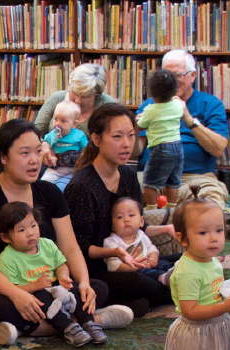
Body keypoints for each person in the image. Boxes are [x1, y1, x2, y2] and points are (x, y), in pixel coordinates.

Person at [0, 118, 131, 346]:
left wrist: (82, 283)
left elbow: (69, 246)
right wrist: (16, 294)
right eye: (24, 153)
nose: (35, 160)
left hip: (47, 283)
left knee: (95, 288)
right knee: (1, 307)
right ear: (3, 157)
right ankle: (90, 320)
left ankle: (30, 328)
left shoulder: (50, 192)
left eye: (38, 151)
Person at [64, 103, 177, 318]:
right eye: (117, 137)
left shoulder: (127, 174)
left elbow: (137, 225)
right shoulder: (82, 186)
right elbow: (78, 248)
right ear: (96, 139)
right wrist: (116, 253)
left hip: (134, 256)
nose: (126, 144)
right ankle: (188, 288)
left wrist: (166, 229)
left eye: (131, 136)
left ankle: (137, 301)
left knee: (184, 259)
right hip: (100, 270)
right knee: (141, 280)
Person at [0, 202, 107, 346]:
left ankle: (88, 322)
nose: (30, 233)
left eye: (33, 226)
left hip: (58, 291)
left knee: (89, 288)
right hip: (35, 299)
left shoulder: (47, 245)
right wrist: (35, 285)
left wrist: (64, 277)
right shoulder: (6, 260)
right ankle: (68, 327)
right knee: (42, 296)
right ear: (6, 237)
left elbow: (61, 264)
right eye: (21, 230)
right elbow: (10, 290)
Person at [134, 50, 230, 209]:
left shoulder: (210, 104)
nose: (170, 81)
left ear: (192, 76)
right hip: (149, 177)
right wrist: (134, 131)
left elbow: (218, 148)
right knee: (120, 189)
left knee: (209, 197)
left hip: (192, 178)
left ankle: (225, 223)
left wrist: (189, 119)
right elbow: (135, 152)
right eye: (166, 75)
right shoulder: (149, 106)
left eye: (177, 75)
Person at [164, 186, 230, 350]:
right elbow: (191, 312)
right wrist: (225, 307)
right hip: (197, 333)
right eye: (203, 233)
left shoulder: (211, 260)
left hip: (216, 325)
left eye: (219, 230)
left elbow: (210, 290)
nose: (213, 238)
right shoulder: (188, 271)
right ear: (183, 239)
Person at [137, 70, 185, 210]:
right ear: (175, 90)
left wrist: (137, 120)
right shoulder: (178, 105)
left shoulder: (150, 110)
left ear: (151, 92)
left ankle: (151, 208)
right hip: (178, 146)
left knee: (149, 182)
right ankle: (171, 207)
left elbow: (141, 126)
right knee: (173, 181)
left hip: (161, 148)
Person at [33, 63, 117, 139]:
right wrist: (44, 146)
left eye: (85, 97)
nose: (78, 100)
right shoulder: (56, 98)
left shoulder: (106, 104)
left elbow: (115, 137)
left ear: (97, 95)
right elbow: (36, 132)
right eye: (75, 93)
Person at [103, 198, 174, 286]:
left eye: (131, 215)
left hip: (147, 264)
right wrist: (134, 267)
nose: (126, 220)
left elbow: (151, 248)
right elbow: (113, 266)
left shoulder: (141, 235)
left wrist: (153, 259)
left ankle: (177, 271)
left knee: (163, 264)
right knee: (146, 272)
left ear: (141, 221)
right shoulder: (112, 242)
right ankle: (163, 278)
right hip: (131, 272)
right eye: (120, 217)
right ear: (112, 226)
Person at [40, 101, 88, 191]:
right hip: (55, 169)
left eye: (63, 121)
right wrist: (49, 154)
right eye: (55, 119)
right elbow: (44, 147)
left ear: (74, 124)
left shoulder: (79, 135)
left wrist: (82, 160)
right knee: (44, 183)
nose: (57, 123)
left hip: (73, 169)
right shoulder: (51, 136)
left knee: (67, 187)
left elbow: (86, 150)